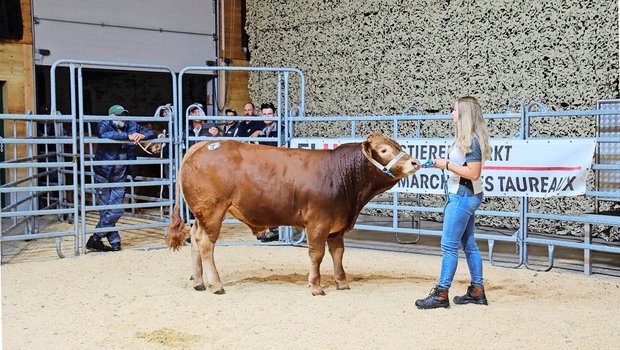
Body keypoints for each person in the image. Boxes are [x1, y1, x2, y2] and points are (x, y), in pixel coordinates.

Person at [415, 96, 491, 309]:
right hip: (466, 195)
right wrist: (443, 164)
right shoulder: (469, 139)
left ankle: (441, 294)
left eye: (454, 110)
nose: (451, 113)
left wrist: (446, 164)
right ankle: (477, 290)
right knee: (468, 244)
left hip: (462, 196)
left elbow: (473, 173)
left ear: (464, 114)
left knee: (448, 245)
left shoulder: (472, 141)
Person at [86, 104, 157, 252]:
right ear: (111, 117)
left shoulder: (131, 125)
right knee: (106, 208)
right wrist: (128, 137)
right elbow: (104, 134)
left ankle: (95, 238)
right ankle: (115, 241)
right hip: (104, 172)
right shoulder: (104, 124)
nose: (122, 118)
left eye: (123, 115)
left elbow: (152, 133)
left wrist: (142, 136)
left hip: (121, 173)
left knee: (116, 209)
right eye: (119, 116)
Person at [255, 102, 283, 243]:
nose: (267, 116)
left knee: (277, 200)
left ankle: (276, 230)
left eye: (270, 114)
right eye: (264, 114)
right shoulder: (259, 130)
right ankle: (270, 229)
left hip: (279, 170)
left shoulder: (282, 130)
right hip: (264, 169)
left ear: (275, 114)